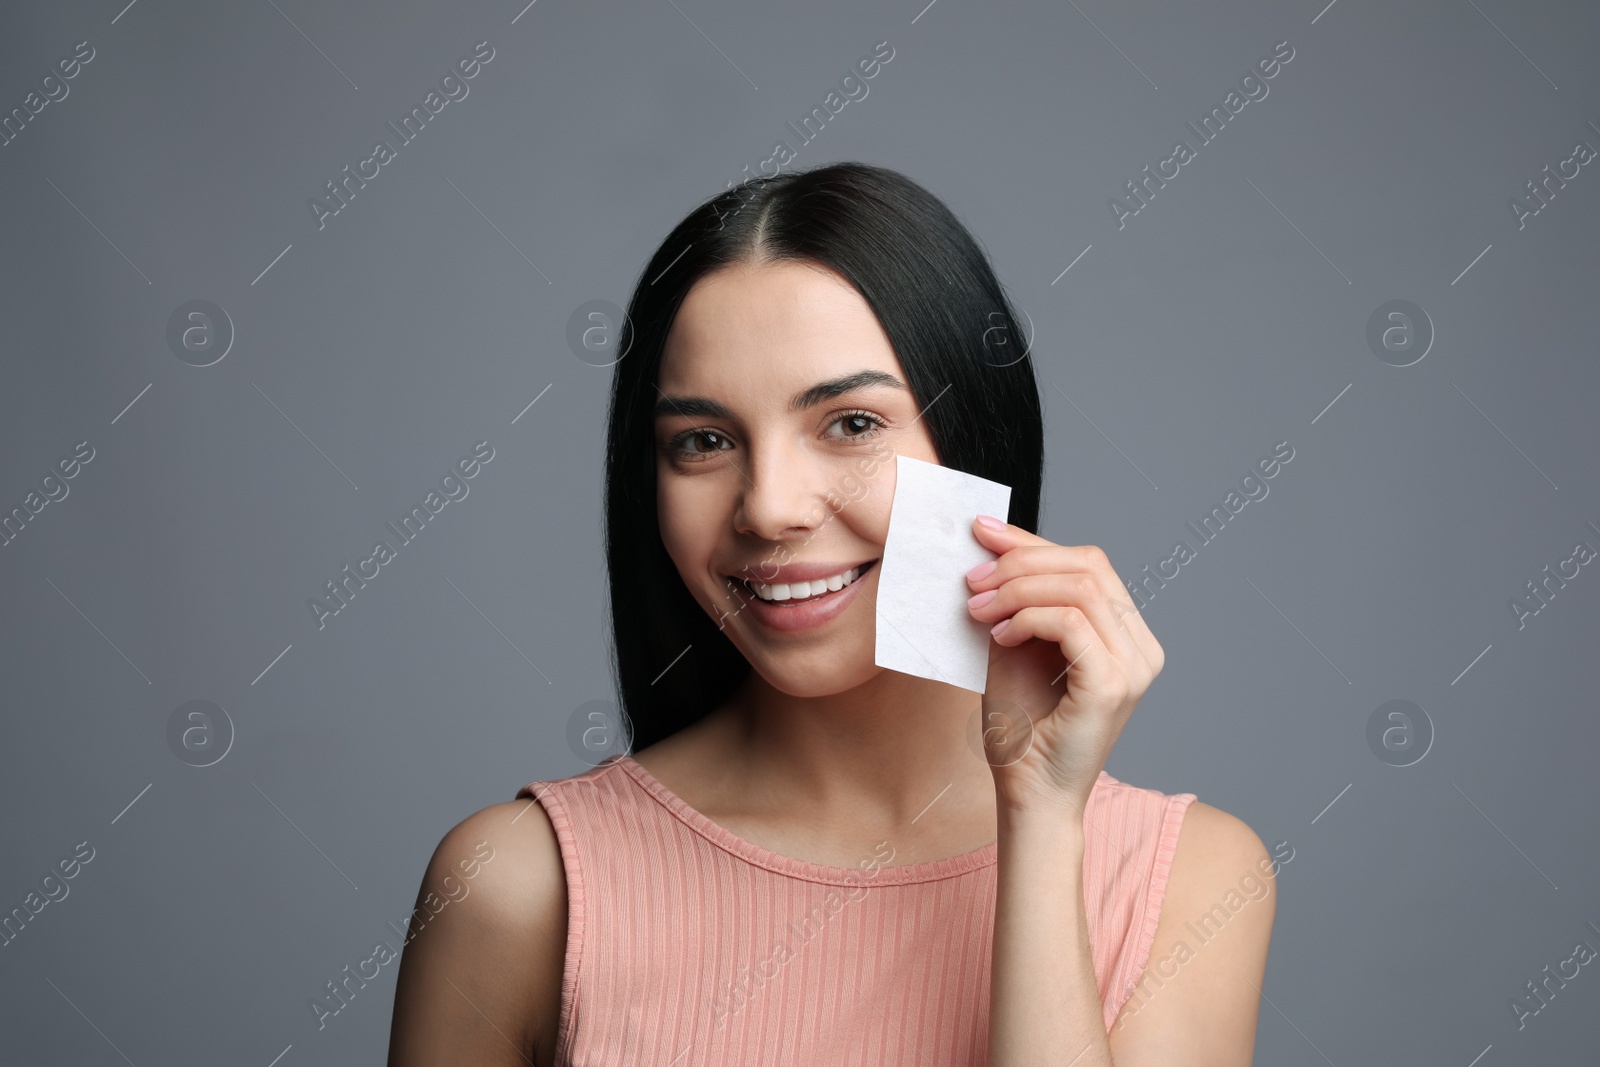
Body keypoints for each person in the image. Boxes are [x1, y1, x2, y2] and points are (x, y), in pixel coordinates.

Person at [386, 162, 1275, 1065]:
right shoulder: (517, 887)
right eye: (702, 441)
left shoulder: (1188, 881)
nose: (768, 507)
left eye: (851, 424)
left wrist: (1042, 821)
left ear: (977, 440)